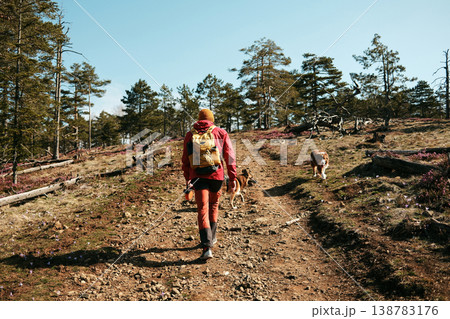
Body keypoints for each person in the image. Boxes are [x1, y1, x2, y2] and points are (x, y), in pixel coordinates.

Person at [182, 109, 237, 259]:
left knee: (202, 209)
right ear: (211, 119)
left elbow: (185, 159)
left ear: (199, 119)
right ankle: (211, 238)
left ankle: (207, 247)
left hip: (197, 177)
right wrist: (232, 177)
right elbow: (230, 156)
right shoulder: (220, 132)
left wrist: (187, 177)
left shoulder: (190, 134)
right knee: (213, 205)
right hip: (216, 176)